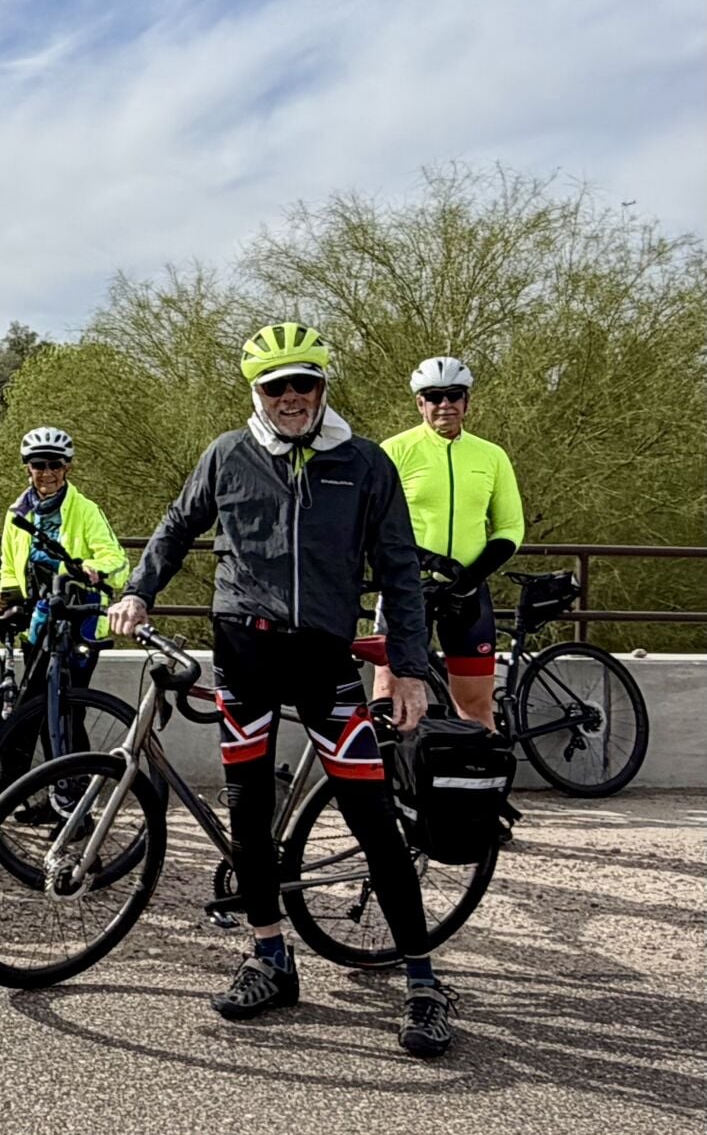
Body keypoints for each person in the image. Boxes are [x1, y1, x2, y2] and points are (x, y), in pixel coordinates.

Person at [107, 322, 458, 1058]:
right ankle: (268, 956)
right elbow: (175, 528)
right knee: (249, 813)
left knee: (372, 820)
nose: (291, 398)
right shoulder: (227, 454)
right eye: (276, 387)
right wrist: (138, 591)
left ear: (322, 388)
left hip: (324, 662)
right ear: (256, 393)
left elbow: (397, 567)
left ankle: (422, 982)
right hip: (243, 656)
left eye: (303, 384)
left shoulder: (362, 462)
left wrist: (410, 668)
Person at [374, 357, 524, 729]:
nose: (445, 404)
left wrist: (470, 578)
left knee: (476, 707)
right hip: (407, 588)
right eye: (434, 396)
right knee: (390, 703)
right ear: (419, 403)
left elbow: (510, 527)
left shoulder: (491, 456)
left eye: (453, 395)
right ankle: (388, 784)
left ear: (467, 401)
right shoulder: (392, 452)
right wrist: (425, 560)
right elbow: (372, 526)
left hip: (468, 593)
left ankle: (481, 784)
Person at [0, 426, 128, 719]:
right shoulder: (17, 513)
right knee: (32, 709)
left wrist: (90, 568)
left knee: (70, 711)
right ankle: (16, 766)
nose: (47, 472)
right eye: (39, 465)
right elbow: (9, 563)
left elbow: (117, 560)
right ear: (28, 468)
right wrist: (8, 591)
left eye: (55, 464)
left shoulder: (86, 510)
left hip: (79, 619)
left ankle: (73, 765)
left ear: (67, 467)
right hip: (36, 621)